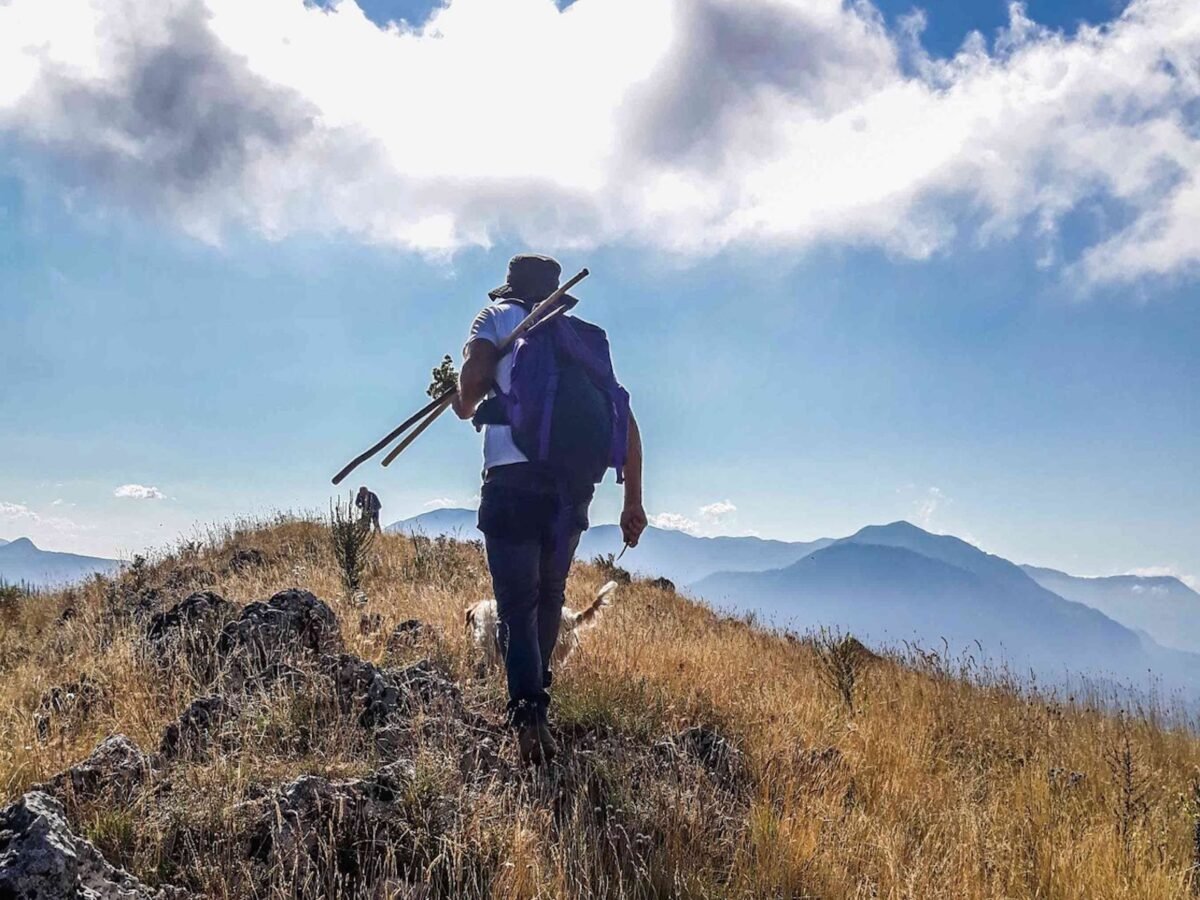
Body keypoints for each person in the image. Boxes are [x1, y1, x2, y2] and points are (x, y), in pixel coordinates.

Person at [452, 253, 646, 764]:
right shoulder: (578, 341)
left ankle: (529, 721)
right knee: (548, 597)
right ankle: (540, 704)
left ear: (509, 290)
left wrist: (463, 400)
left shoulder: (496, 321)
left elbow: (470, 388)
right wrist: (633, 501)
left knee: (515, 604)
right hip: (571, 489)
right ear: (556, 294)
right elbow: (624, 419)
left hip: (513, 482)